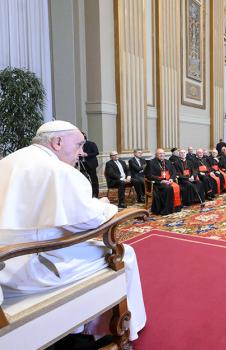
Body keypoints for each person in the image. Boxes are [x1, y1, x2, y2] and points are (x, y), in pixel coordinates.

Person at [0, 120, 146, 343]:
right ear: (57, 142)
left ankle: (78, 327)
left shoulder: (10, 160)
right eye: (79, 145)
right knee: (125, 254)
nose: (82, 153)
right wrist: (106, 205)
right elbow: (90, 220)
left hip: (6, 267)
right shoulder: (57, 171)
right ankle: (120, 329)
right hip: (38, 266)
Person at [145, 149, 182, 215]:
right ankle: (166, 209)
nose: (162, 155)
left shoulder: (168, 162)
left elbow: (174, 172)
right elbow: (149, 175)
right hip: (158, 183)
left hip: (168, 181)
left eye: (163, 153)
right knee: (168, 188)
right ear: (156, 155)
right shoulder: (151, 162)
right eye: (160, 153)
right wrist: (161, 180)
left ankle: (174, 207)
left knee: (176, 186)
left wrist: (171, 179)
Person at [81, 131, 100, 198]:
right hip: (81, 164)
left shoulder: (91, 144)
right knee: (84, 180)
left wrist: (87, 154)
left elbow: (96, 152)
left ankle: (95, 194)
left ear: (84, 137)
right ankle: (86, 194)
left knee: (94, 179)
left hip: (91, 164)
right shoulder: (77, 145)